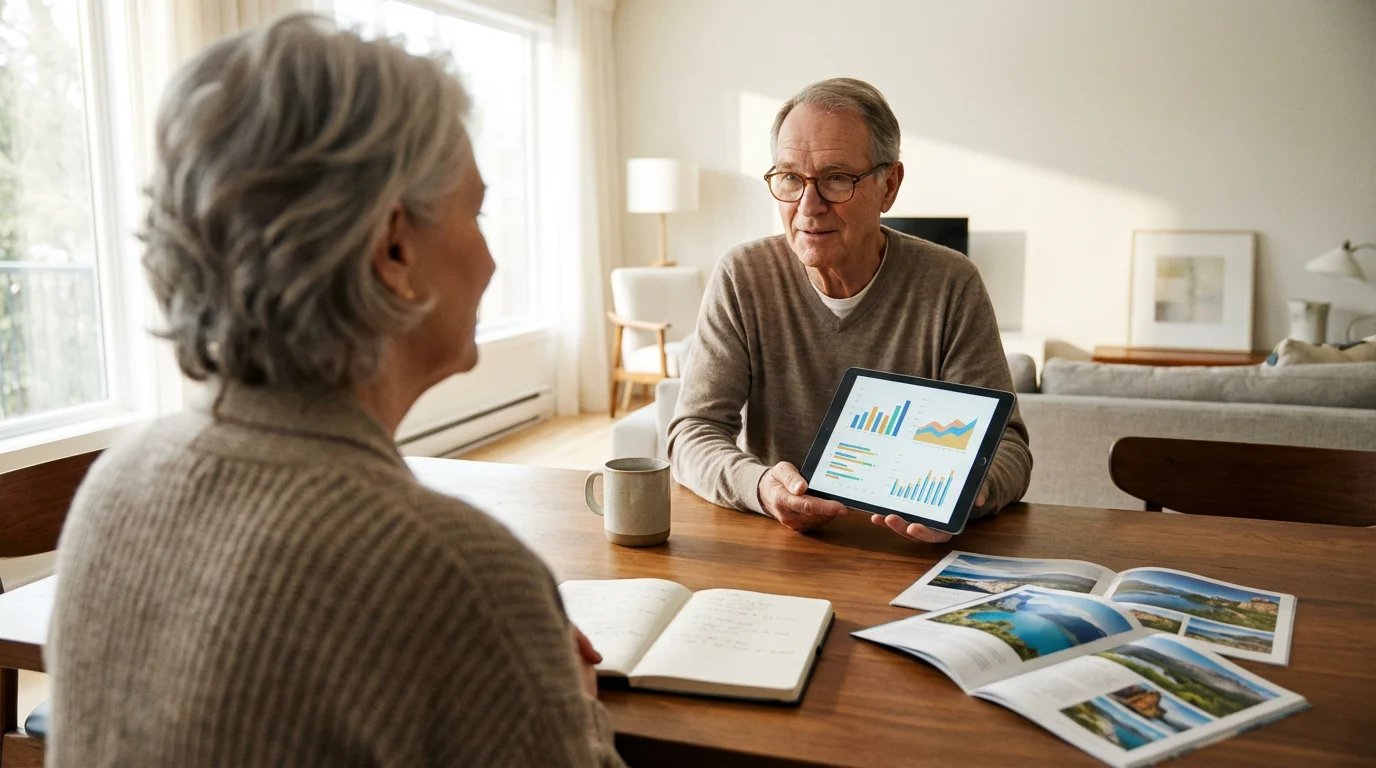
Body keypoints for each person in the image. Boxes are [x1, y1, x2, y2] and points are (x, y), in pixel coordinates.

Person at [47, 15, 622, 767]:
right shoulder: (459, 577)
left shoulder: (113, 487)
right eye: (475, 212)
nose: (489, 260)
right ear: (392, 246)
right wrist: (572, 708)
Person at [668, 78, 1032, 544]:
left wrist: (963, 498)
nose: (808, 206)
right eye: (790, 178)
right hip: (784, 544)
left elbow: (1010, 449)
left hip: (909, 552)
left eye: (836, 178)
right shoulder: (743, 276)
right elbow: (692, 434)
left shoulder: (951, 283)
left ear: (890, 185)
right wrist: (760, 487)